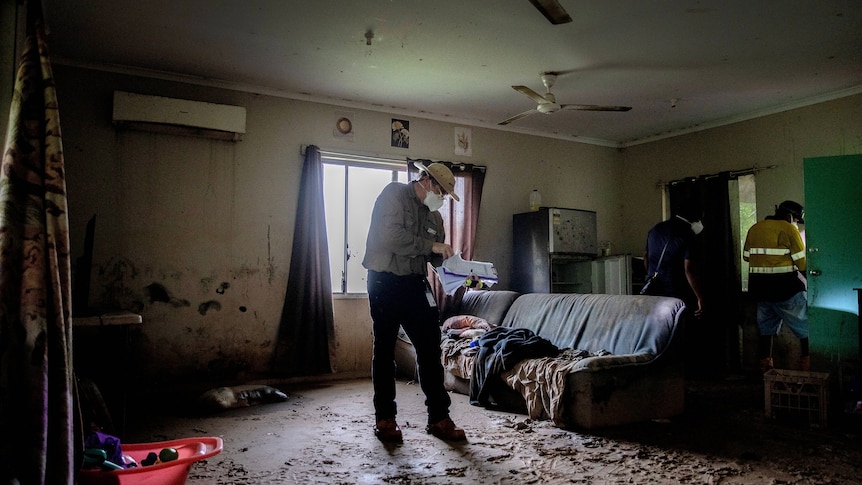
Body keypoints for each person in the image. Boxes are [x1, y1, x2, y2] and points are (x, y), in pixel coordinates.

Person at [362, 161, 467, 443]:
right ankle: (385, 419)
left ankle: (439, 418)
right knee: (384, 350)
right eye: (440, 191)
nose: (441, 198)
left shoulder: (434, 217)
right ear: (425, 180)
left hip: (415, 284)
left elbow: (434, 258)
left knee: (430, 348)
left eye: (445, 194)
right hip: (384, 281)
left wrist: (458, 270)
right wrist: (431, 246)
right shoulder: (394, 194)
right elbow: (390, 237)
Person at [743, 200, 809, 373]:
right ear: (789, 216)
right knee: (807, 330)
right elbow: (802, 263)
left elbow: (746, 257)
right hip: (786, 291)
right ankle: (808, 370)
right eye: (796, 220)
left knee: (766, 332)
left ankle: (766, 373)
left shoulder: (754, 228)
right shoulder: (789, 229)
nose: (796, 224)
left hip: (760, 292)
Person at [642, 206, 705, 318]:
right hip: (675, 292)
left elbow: (646, 257)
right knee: (677, 326)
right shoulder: (688, 235)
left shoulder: (655, 229)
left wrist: (651, 276)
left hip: (653, 289)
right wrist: (699, 297)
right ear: (692, 218)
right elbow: (688, 269)